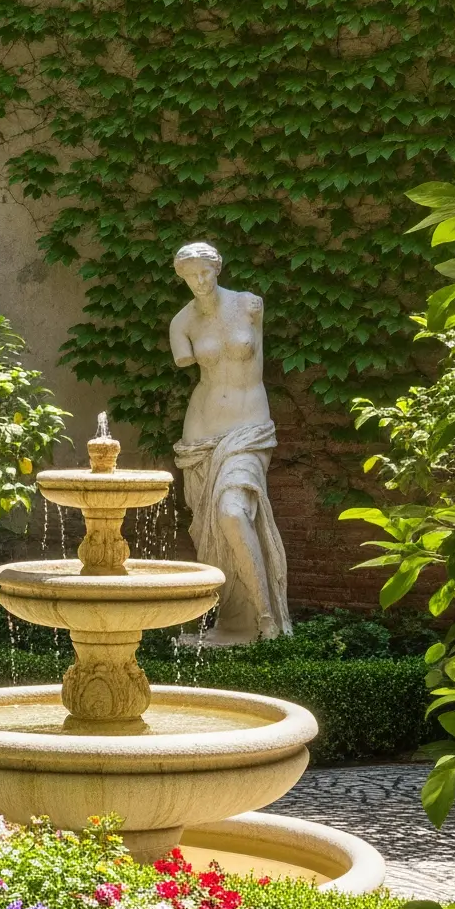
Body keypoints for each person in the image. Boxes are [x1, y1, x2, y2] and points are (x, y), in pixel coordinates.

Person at [169, 240, 291, 641]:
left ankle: (267, 617)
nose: (200, 281)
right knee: (210, 531)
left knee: (232, 512)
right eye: (191, 276)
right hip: (201, 433)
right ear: (182, 278)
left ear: (218, 268)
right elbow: (191, 366)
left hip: (248, 427)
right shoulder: (181, 324)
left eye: (206, 272)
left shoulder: (249, 305)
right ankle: (232, 623)